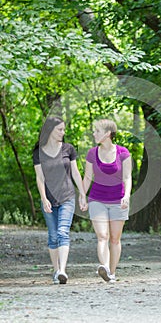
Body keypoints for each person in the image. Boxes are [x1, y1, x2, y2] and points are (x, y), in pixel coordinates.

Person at [33, 116, 87, 284]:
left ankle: (62, 270)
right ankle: (56, 271)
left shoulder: (68, 149)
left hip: (67, 196)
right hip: (48, 198)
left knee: (63, 232)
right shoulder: (39, 152)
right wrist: (43, 198)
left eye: (64, 129)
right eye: (59, 130)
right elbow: (39, 178)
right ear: (49, 130)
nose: (63, 133)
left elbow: (76, 173)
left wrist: (83, 193)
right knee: (53, 236)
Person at [83, 119, 132, 283]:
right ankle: (103, 266)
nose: (94, 133)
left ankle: (111, 272)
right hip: (97, 199)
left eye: (97, 131)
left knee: (115, 238)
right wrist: (82, 195)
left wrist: (127, 195)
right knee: (102, 235)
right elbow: (88, 177)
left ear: (107, 134)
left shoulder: (123, 153)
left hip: (118, 199)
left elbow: (127, 177)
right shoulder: (91, 153)